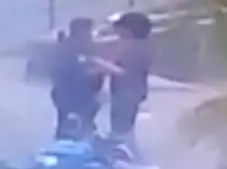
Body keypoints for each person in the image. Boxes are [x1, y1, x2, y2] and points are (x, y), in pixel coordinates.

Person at [88, 12, 153, 158]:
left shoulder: (137, 48)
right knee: (124, 132)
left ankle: (133, 163)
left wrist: (98, 62)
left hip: (128, 95)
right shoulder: (133, 45)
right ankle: (134, 161)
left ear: (130, 30)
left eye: (121, 28)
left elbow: (123, 71)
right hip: (124, 93)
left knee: (121, 133)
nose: (117, 31)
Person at [50, 17, 104, 140]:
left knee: (69, 123)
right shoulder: (77, 47)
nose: (90, 34)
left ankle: (66, 142)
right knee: (77, 125)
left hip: (74, 94)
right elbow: (66, 70)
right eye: (88, 31)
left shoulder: (70, 46)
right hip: (74, 94)